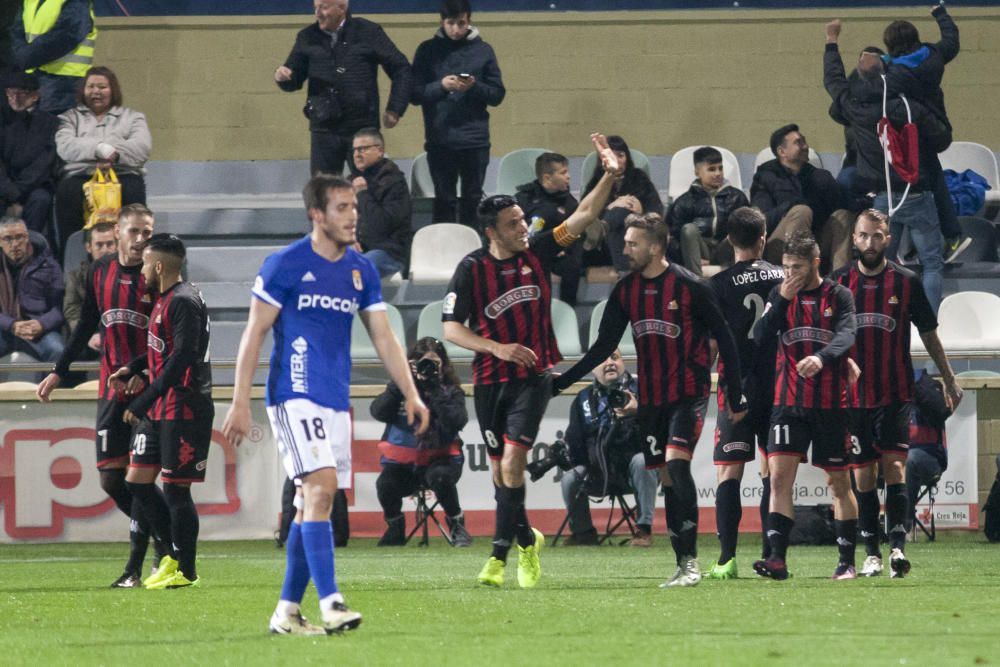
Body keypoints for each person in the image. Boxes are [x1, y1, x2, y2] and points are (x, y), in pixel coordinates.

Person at [222, 174, 429, 635]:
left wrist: (412, 392)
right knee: (321, 487)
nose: (353, 214)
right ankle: (332, 601)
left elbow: (384, 336)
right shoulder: (286, 264)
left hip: (334, 398)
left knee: (309, 502)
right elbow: (254, 332)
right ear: (317, 214)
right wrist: (240, 400)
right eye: (341, 207)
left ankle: (287, 613)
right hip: (294, 392)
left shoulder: (361, 269)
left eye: (354, 206)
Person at [442, 133, 621, 589]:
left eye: (523, 219)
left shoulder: (540, 251)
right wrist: (497, 347)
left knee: (513, 463)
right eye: (514, 223)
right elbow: (451, 329)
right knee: (503, 475)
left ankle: (499, 558)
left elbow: (583, 216)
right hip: (489, 379)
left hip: (532, 378)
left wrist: (610, 175)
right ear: (492, 231)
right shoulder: (471, 269)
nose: (524, 228)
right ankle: (527, 539)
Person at [553, 213, 747, 588]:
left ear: (655, 247)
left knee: (676, 465)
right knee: (667, 478)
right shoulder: (626, 291)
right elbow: (603, 347)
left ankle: (691, 564)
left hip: (686, 396)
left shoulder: (692, 287)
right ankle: (682, 561)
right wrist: (562, 382)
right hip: (652, 402)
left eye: (632, 243)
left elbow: (726, 340)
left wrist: (735, 390)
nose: (625, 248)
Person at [830, 209, 962, 577]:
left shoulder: (906, 282)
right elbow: (824, 336)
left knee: (896, 468)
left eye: (877, 236)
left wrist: (949, 378)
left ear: (888, 239)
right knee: (864, 478)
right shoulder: (838, 285)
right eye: (863, 236)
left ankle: (897, 550)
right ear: (854, 239)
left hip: (895, 393)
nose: (870, 243)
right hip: (853, 399)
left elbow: (929, 332)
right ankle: (870, 552)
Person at [37, 204, 160, 588]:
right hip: (111, 389)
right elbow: (86, 324)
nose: (141, 240)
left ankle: (137, 566)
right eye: (134, 232)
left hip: (147, 390)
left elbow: (167, 336)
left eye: (147, 233)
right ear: (118, 234)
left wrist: (143, 373)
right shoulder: (100, 272)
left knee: (138, 478)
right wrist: (59, 370)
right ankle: (164, 531)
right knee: (111, 480)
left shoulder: (158, 275)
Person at [103, 234, 212, 592]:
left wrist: (144, 397)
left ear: (160, 266)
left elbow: (182, 356)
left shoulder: (183, 301)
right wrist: (134, 367)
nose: (142, 272)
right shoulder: (166, 300)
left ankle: (186, 570)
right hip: (163, 404)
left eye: (147, 265)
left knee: (177, 490)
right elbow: (163, 351)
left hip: (184, 405)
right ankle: (169, 553)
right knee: (136, 481)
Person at [751, 230, 859, 581]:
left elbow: (847, 335)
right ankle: (778, 560)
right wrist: (782, 297)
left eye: (796, 267)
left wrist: (823, 357)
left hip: (830, 403)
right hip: (788, 402)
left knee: (839, 484)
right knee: (780, 481)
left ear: (815, 263)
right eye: (785, 267)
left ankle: (846, 562)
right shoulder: (780, 294)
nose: (790, 274)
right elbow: (762, 334)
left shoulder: (838, 295)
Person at [823, 22, 952, 312]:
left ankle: (881, 317)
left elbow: (832, 81)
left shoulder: (853, 107)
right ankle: (927, 324)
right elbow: (943, 138)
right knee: (931, 263)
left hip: (883, 197)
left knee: (882, 264)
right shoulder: (908, 106)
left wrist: (831, 41)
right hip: (916, 190)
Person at [706, 207, 784, 579]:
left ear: (729, 240)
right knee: (773, 473)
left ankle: (726, 559)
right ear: (763, 237)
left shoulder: (718, 284)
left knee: (729, 474)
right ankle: (772, 555)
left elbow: (710, 344)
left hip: (735, 389)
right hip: (776, 388)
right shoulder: (783, 278)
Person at [275, 0, 412, 177]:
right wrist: (282, 77)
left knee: (369, 188)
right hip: (323, 128)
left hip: (362, 126)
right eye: (315, 8)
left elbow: (401, 69)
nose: (317, 13)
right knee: (324, 192)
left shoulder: (368, 31)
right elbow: (293, 79)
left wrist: (395, 108)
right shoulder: (306, 37)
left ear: (342, 8)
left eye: (323, 7)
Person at [880, 6, 968, 262]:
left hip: (909, 134)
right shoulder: (934, 55)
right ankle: (950, 235)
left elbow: (877, 91)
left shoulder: (894, 74)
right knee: (935, 181)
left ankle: (906, 246)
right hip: (935, 129)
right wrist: (940, 13)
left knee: (913, 186)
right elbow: (952, 39)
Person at [411, 0, 505, 227]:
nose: (455, 29)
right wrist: (441, 86)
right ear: (442, 22)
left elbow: (497, 95)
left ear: (469, 21)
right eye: (450, 23)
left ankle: (473, 249)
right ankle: (445, 251)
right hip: (440, 139)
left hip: (475, 140)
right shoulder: (427, 50)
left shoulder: (484, 50)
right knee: (444, 200)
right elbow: (414, 94)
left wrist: (474, 86)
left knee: (473, 199)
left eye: (461, 23)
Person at [371, 336, 471, 547]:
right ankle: (395, 527)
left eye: (434, 363)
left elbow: (457, 421)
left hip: (442, 461)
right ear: (412, 364)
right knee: (385, 484)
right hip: (404, 465)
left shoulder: (451, 392)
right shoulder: (400, 391)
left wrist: (435, 389)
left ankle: (457, 525)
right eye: (423, 363)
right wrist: (400, 383)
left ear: (443, 364)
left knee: (441, 478)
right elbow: (378, 412)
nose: (428, 368)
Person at [560, 349, 658, 547]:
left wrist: (639, 412)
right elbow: (575, 442)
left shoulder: (644, 389)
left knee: (642, 461)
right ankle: (584, 533)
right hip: (598, 474)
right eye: (602, 359)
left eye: (615, 358)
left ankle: (644, 530)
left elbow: (661, 426)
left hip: (632, 472)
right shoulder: (583, 399)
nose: (610, 363)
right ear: (592, 368)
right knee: (570, 477)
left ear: (623, 362)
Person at [54, 66, 151, 258]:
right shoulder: (69, 118)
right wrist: (99, 149)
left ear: (113, 90)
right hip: (81, 176)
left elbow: (141, 148)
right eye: (91, 86)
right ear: (83, 90)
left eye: (102, 87)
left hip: (123, 175)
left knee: (133, 194)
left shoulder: (133, 118)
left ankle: (134, 259)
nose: (96, 92)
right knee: (67, 192)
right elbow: (65, 146)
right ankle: (74, 261)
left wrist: (112, 154)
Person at [750, 124, 853, 274]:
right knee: (801, 211)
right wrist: (791, 207)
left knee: (843, 216)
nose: (805, 146)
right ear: (782, 151)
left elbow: (838, 207)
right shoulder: (766, 177)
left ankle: (840, 280)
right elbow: (762, 221)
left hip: (813, 242)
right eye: (798, 142)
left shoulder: (819, 177)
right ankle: (799, 276)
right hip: (778, 245)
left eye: (804, 141)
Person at [580, 134, 663, 273]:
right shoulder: (597, 182)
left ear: (627, 158)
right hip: (602, 246)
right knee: (620, 211)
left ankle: (604, 228)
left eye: (620, 155)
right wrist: (610, 208)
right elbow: (584, 214)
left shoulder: (639, 179)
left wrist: (641, 212)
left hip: (638, 238)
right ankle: (625, 273)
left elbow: (657, 213)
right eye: (612, 156)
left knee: (624, 213)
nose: (617, 161)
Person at [666, 146, 748, 276]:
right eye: (711, 169)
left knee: (741, 226)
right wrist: (690, 256)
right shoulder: (685, 201)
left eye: (720, 168)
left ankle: (737, 277)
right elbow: (673, 238)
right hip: (698, 251)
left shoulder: (737, 198)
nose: (717, 173)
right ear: (697, 172)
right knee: (689, 229)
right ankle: (696, 283)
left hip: (726, 249)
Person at [515, 152, 581, 305]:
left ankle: (569, 308)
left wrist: (564, 249)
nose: (569, 176)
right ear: (547, 177)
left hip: (560, 254)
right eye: (563, 173)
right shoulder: (524, 199)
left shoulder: (569, 203)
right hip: (530, 252)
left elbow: (577, 233)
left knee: (573, 265)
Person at [12, 0, 96, 115]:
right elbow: (16, 32)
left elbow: (66, 35)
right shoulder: (29, 1)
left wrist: (25, 57)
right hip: (34, 79)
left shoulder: (77, 2)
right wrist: (21, 57)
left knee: (58, 128)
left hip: (66, 83)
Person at [0, 215, 64, 365]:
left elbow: (60, 306)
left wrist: (42, 324)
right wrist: (11, 325)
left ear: (27, 237)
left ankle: (47, 389)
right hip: (4, 327)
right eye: (8, 239)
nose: (15, 244)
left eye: (20, 237)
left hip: (38, 326)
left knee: (58, 350)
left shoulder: (48, 264)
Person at [1, 71, 58, 237]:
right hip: (5, 187)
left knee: (40, 199)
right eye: (11, 93)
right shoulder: (2, 120)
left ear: (35, 96)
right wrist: (11, 193)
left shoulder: (50, 123)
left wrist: (17, 193)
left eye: (21, 93)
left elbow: (44, 163)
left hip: (34, 186)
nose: (15, 98)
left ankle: (32, 248)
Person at [350, 127, 412, 278]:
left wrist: (363, 194)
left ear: (379, 151)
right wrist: (349, 239)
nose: (357, 154)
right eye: (355, 150)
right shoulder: (352, 180)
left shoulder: (394, 182)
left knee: (360, 268)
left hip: (388, 252)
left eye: (363, 149)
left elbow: (381, 225)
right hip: (359, 248)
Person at [906, 368, 951, 532]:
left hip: (930, 459)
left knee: (910, 459)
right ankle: (861, 527)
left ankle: (904, 524)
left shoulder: (928, 394)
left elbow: (945, 409)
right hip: (899, 457)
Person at [63, 221, 115, 336]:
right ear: (89, 247)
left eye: (110, 244)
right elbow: (72, 310)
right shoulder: (75, 277)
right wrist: (87, 336)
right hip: (89, 334)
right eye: (99, 245)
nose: (105, 250)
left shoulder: (129, 274)